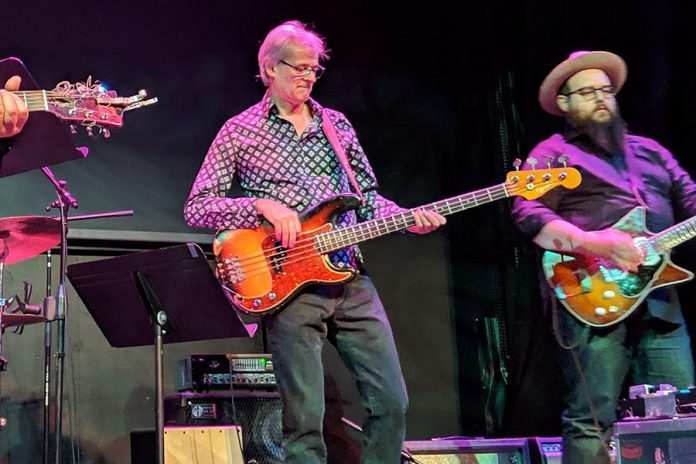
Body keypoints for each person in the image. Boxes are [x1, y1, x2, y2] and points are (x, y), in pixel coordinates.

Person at [184, 20, 446, 464]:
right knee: (304, 420)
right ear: (269, 67)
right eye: (299, 68)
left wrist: (404, 218)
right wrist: (262, 206)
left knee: (391, 402)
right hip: (290, 284)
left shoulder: (336, 125)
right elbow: (198, 206)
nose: (308, 76)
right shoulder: (239, 130)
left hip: (349, 275)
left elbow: (365, 199)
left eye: (315, 69)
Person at [511, 50, 696, 464]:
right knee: (590, 419)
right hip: (591, 293)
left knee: (683, 415)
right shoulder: (552, 154)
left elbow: (689, 197)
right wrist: (599, 244)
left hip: (660, 301)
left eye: (606, 90)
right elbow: (527, 212)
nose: (600, 98)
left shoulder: (650, 151)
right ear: (564, 103)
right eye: (587, 91)